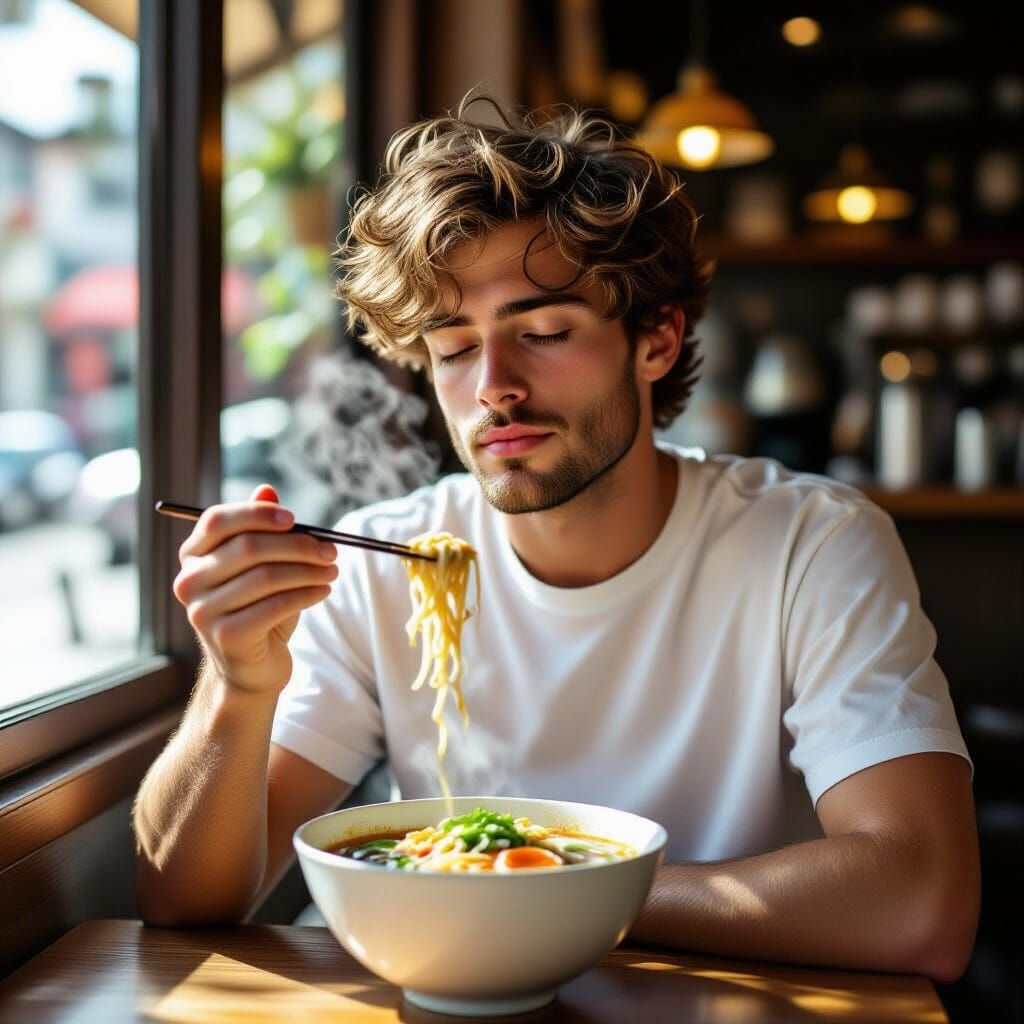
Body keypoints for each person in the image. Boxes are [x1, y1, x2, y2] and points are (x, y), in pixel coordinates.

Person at [133, 93, 979, 983]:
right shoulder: (382, 558)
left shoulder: (809, 542)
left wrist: (533, 890)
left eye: (542, 332)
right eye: (454, 349)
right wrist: (237, 683)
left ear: (655, 340)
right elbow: (185, 899)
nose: (493, 385)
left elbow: (921, 902)